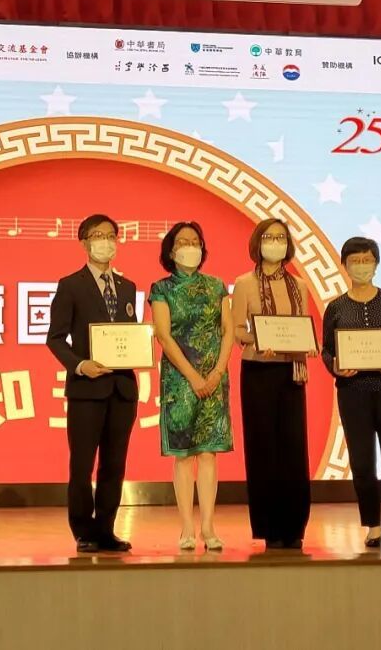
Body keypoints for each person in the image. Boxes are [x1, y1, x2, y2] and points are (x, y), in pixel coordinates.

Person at [47, 214, 139, 554]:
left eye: (111, 235)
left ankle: (106, 530)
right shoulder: (70, 285)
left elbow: (129, 336)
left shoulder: (127, 287)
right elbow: (55, 338)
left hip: (122, 389)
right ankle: (83, 531)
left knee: (114, 465)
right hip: (86, 389)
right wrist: (80, 364)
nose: (106, 241)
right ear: (84, 242)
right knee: (82, 465)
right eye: (98, 235)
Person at [321, 236, 381, 549]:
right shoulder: (336, 307)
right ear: (344, 265)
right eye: (355, 261)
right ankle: (373, 526)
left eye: (367, 260)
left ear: (376, 263)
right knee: (362, 463)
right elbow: (327, 350)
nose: (362, 266)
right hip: (353, 392)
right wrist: (336, 367)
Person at [149, 222, 234, 551]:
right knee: (184, 456)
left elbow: (227, 330)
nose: (190, 247)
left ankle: (209, 527)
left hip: (214, 378)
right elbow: (163, 335)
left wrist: (217, 371)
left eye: (195, 241)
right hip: (180, 381)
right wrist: (193, 377)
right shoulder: (161, 288)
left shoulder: (216, 286)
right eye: (183, 242)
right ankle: (187, 528)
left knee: (209, 453)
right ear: (171, 251)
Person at [230, 219, 314, 550]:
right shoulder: (244, 283)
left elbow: (302, 327)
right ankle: (269, 528)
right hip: (258, 371)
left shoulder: (300, 286)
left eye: (281, 237)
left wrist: (307, 345)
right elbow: (237, 330)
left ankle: (294, 527)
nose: (275, 243)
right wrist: (257, 340)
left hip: (291, 372)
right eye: (269, 237)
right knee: (263, 447)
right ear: (257, 242)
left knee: (294, 448)